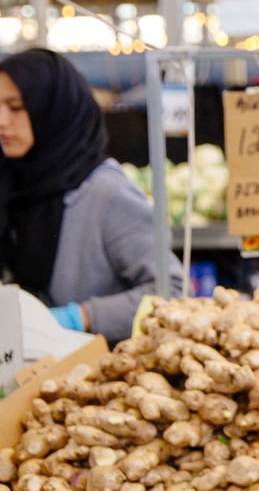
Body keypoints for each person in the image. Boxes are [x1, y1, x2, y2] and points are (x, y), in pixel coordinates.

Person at [0, 47, 184, 343]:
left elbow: (169, 291)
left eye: (16, 107)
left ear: (52, 110)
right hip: (32, 367)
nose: (2, 120)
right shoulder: (13, 183)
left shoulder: (104, 193)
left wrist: (82, 316)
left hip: (105, 373)